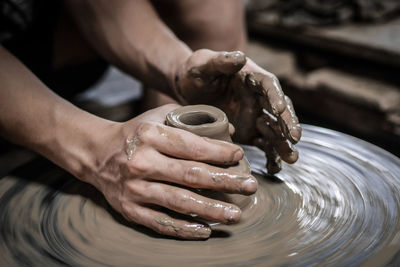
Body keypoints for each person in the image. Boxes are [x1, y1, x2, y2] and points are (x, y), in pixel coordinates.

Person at [0, 0, 301, 239]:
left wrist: (180, 72)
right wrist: (95, 148)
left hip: (52, 32)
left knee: (211, 6)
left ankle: (163, 171)